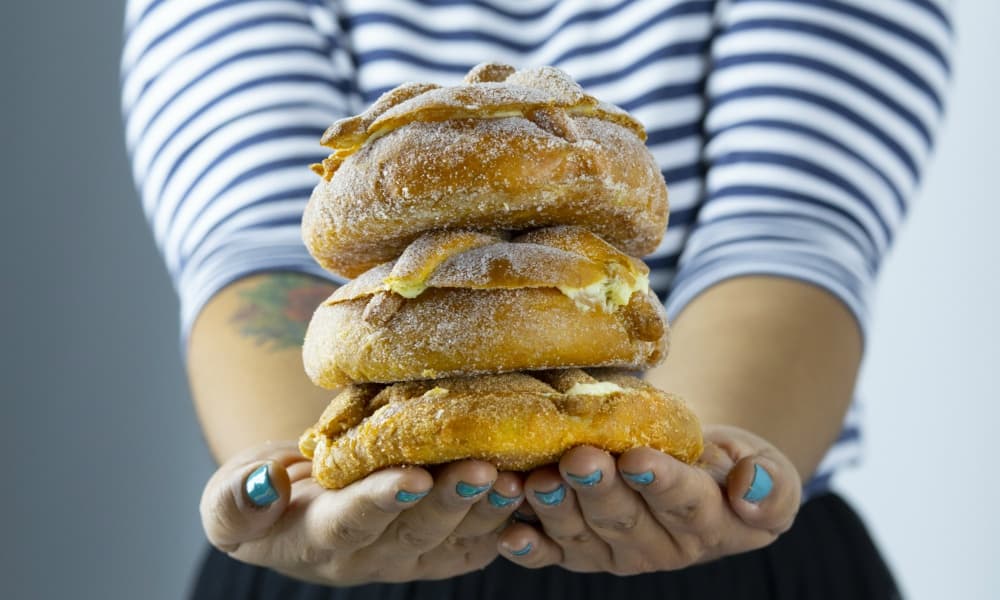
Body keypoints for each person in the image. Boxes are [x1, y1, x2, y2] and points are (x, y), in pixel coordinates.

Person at [121, 1, 952, 598]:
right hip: (332, 566)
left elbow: (782, 240)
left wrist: (688, 477)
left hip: (736, 560)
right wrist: (302, 479)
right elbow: (262, 248)